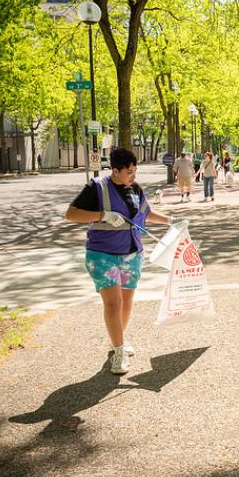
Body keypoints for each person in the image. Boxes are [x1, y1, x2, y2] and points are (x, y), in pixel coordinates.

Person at [65, 147, 183, 374]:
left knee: (127, 302)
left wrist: (171, 220)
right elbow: (71, 214)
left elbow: (146, 214)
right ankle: (119, 352)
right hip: (102, 255)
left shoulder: (135, 189)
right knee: (113, 303)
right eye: (129, 172)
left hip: (132, 253)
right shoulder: (96, 187)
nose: (133, 176)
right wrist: (102, 215)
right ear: (115, 171)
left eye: (135, 171)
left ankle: (117, 339)